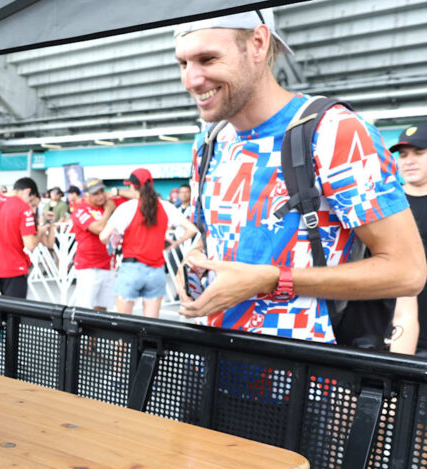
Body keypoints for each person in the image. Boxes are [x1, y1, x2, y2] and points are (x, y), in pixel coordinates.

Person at [174, 11, 424, 342]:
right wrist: (195, 258)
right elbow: (216, 235)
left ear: (259, 43)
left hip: (304, 376)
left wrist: (273, 279)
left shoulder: (335, 133)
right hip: (211, 360)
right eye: (183, 64)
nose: (191, 80)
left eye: (207, 59)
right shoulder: (208, 142)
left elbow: (406, 272)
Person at [101, 168, 197, 318]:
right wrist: (175, 243)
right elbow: (192, 229)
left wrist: (115, 239)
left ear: (132, 187)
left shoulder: (127, 208)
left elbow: (103, 236)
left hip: (131, 269)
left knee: (122, 329)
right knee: (150, 327)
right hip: (157, 271)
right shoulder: (166, 206)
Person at [0, 176, 54, 298]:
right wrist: (40, 232)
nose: (31, 208)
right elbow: (30, 245)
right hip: (15, 269)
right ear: (28, 191)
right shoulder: (22, 208)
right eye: (31, 202)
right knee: (14, 315)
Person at [389, 123, 427, 355]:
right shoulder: (388, 207)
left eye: (419, 152)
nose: (409, 160)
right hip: (394, 335)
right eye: (403, 155)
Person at [71, 178, 116, 310]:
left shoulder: (107, 203)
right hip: (88, 266)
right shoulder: (80, 210)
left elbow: (138, 195)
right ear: (86, 195)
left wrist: (116, 191)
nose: (101, 196)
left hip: (108, 263)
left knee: (102, 308)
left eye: (102, 191)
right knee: (84, 309)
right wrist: (108, 210)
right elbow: (98, 229)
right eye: (95, 193)